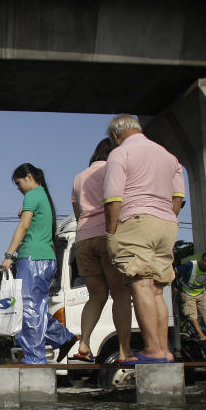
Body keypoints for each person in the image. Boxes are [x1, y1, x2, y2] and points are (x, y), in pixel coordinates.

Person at [103, 114, 185, 364]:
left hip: (136, 220)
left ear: (115, 135)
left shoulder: (120, 154)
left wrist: (111, 231)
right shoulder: (169, 156)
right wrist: (165, 217)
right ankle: (164, 349)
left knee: (140, 285)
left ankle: (153, 349)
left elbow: (113, 198)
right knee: (158, 290)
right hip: (167, 223)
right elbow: (178, 196)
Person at [1, 163, 78, 364]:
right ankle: (63, 337)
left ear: (28, 177)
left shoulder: (33, 195)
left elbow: (24, 226)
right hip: (47, 259)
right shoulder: (44, 197)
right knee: (37, 308)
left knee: (27, 309)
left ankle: (35, 358)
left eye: (18, 183)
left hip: (33, 258)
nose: (18, 188)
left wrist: (8, 255)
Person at [69, 138, 131, 363]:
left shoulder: (79, 176)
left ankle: (84, 346)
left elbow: (77, 212)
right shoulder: (113, 170)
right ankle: (124, 351)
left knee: (96, 295)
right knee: (120, 293)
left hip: (84, 240)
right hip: (108, 235)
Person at [174, 251, 206, 341]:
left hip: (201, 292)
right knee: (192, 314)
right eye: (203, 260)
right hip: (187, 292)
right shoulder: (191, 265)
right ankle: (200, 334)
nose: (204, 263)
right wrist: (174, 286)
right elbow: (175, 272)